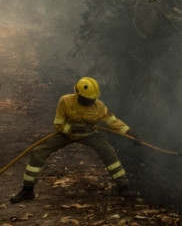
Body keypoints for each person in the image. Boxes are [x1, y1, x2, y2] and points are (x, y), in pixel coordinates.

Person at [10, 76, 140, 203]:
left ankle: (123, 187)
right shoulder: (65, 101)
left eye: (93, 99)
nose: (91, 102)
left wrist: (130, 133)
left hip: (90, 135)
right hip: (67, 135)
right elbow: (58, 125)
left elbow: (113, 121)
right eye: (88, 99)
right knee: (38, 152)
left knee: (109, 153)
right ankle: (27, 190)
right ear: (79, 95)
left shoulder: (99, 106)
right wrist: (74, 129)